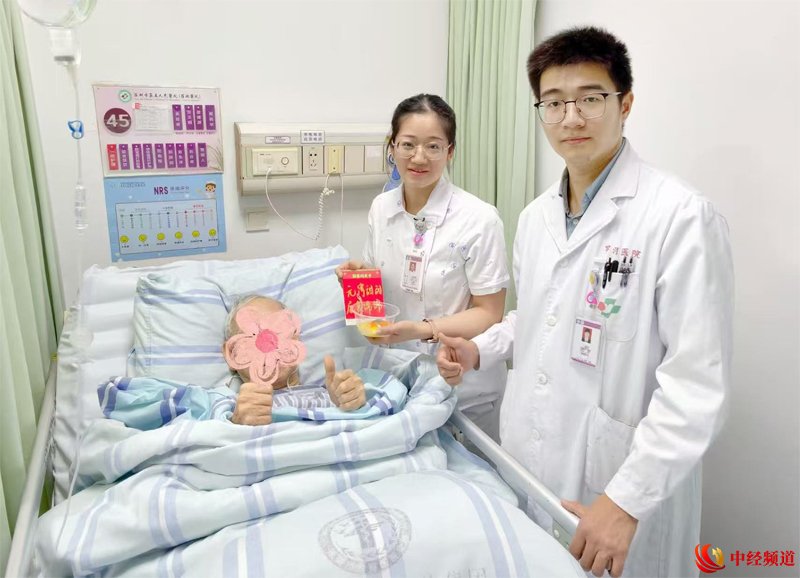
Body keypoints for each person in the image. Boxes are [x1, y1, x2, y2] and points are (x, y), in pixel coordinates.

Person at [436, 27, 733, 578]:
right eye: (553, 103)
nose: (571, 118)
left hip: (620, 485)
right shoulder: (535, 218)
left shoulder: (679, 217)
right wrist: (480, 348)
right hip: (532, 461)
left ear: (625, 104)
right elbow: (536, 317)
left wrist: (625, 502)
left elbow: (696, 385)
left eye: (590, 98)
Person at [336, 94, 510, 441]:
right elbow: (385, 288)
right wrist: (360, 278)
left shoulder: (479, 219)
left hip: (463, 382)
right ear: (392, 147)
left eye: (433, 146)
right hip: (400, 378)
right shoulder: (381, 208)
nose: (419, 157)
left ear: (450, 151)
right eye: (408, 144)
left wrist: (421, 330)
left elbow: (490, 313)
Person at [224, 295, 366, 425]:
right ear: (230, 353)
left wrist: (351, 402)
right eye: (251, 334)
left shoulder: (330, 395)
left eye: (279, 328)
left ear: (296, 339)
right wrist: (236, 423)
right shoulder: (227, 403)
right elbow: (215, 432)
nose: (268, 341)